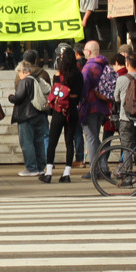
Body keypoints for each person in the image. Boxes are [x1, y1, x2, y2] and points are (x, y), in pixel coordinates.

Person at [42, 48, 84, 183]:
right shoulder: (79, 74)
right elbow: (79, 95)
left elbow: (55, 94)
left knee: (52, 142)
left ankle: (48, 173)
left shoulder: (57, 75)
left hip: (59, 111)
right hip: (72, 111)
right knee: (69, 142)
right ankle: (66, 173)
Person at [7, 62, 48, 177]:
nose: (19, 75)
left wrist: (11, 97)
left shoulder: (24, 81)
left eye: (19, 72)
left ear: (23, 71)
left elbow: (19, 97)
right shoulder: (38, 79)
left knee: (27, 143)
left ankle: (31, 168)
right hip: (39, 114)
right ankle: (40, 167)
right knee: (39, 142)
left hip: (26, 115)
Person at [79, 40, 113, 177]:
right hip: (102, 106)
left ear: (88, 52)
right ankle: (103, 167)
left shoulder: (88, 67)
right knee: (96, 138)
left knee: (91, 138)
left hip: (90, 107)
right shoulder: (104, 65)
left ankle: (95, 170)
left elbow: (84, 89)